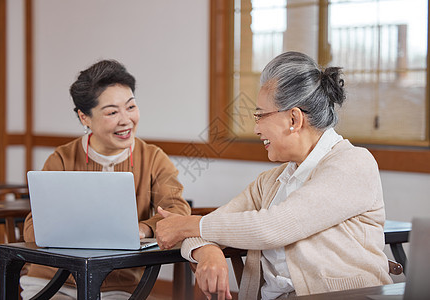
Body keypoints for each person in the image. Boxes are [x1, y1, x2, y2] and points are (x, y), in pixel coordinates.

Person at [155, 51, 393, 300]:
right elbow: (208, 229)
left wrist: (190, 225)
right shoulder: (270, 182)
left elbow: (274, 227)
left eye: (260, 116)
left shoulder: (353, 163)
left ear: (294, 118)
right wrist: (207, 251)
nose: (256, 128)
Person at [20, 59, 191, 300]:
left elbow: (177, 210)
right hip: (52, 280)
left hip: (119, 285)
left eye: (130, 107)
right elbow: (33, 229)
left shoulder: (153, 158)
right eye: (112, 112)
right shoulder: (62, 158)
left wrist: (144, 228)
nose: (125, 120)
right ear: (84, 118)